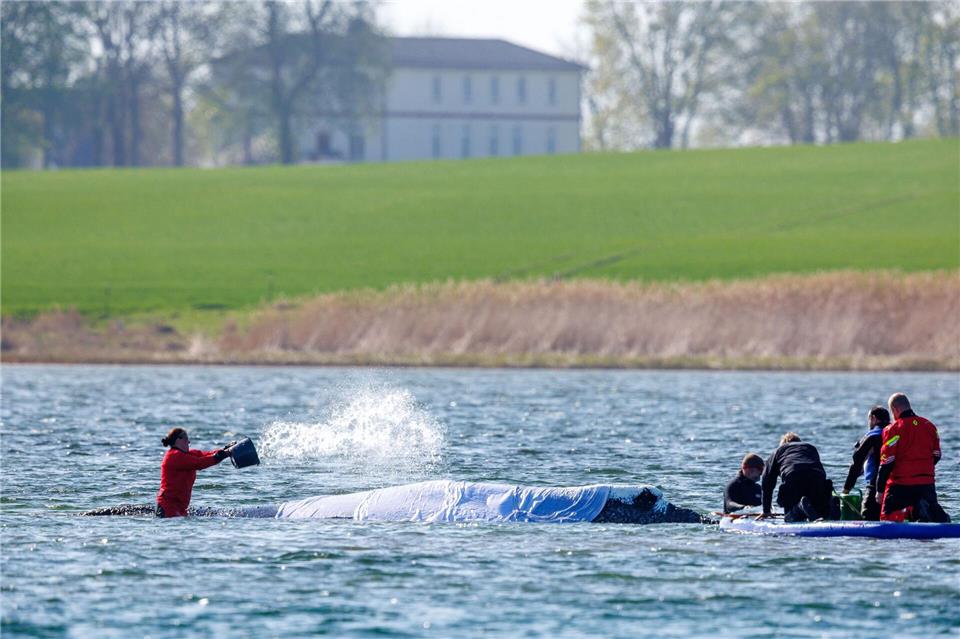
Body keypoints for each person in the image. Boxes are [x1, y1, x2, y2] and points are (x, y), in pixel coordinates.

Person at [876, 393, 950, 523]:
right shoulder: (930, 426)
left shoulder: (892, 429)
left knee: (886, 519)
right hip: (927, 483)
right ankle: (934, 511)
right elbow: (937, 455)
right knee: (927, 519)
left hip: (901, 484)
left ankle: (911, 510)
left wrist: (879, 490)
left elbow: (887, 462)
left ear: (895, 410)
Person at [156, 428, 233, 518]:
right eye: (186, 439)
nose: (188, 442)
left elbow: (207, 455)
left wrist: (224, 450)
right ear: (178, 440)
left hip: (181, 508)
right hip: (167, 507)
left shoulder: (188, 454)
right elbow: (199, 463)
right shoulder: (174, 456)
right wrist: (221, 456)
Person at [760, 432, 831, 522]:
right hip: (817, 476)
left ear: (783, 444)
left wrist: (766, 510)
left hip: (794, 476)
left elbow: (767, 482)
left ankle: (800, 506)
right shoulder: (810, 447)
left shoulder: (779, 450)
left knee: (790, 518)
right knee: (820, 514)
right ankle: (832, 506)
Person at [840, 406, 889, 520]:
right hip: (898, 486)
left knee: (868, 519)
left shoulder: (873, 436)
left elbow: (856, 465)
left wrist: (846, 489)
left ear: (873, 418)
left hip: (875, 487)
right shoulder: (896, 433)